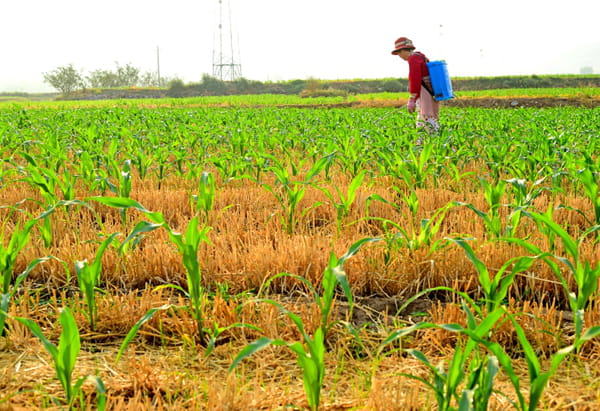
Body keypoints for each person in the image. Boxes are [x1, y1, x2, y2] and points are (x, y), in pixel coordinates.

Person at [391, 37, 440, 134]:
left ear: (404, 50)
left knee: (427, 118)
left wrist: (412, 98)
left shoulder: (413, 59)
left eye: (399, 52)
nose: (399, 56)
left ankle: (436, 141)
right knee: (423, 119)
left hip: (424, 93)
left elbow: (415, 79)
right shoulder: (420, 57)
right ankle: (420, 143)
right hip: (430, 92)